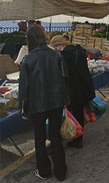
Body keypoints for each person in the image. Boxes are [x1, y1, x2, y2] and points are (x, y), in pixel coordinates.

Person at [19, 27, 68, 181]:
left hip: (36, 105)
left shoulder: (28, 59)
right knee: (55, 136)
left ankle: (44, 172)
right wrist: (65, 101)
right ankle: (61, 172)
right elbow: (65, 78)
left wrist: (23, 109)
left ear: (30, 40)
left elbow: (24, 88)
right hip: (56, 102)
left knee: (39, 139)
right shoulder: (56, 55)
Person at [50, 35, 95, 148]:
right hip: (82, 87)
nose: (56, 50)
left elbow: (62, 74)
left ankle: (73, 137)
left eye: (56, 48)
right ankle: (78, 137)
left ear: (61, 45)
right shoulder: (78, 51)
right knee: (78, 112)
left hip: (72, 89)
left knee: (69, 113)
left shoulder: (65, 56)